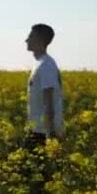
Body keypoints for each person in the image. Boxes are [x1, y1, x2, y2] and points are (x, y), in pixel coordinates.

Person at [24, 23, 64, 152]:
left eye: (30, 36)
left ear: (39, 40)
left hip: (44, 132)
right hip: (37, 129)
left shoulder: (46, 65)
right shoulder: (40, 64)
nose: (27, 40)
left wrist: (50, 135)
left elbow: (48, 100)